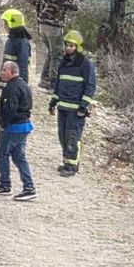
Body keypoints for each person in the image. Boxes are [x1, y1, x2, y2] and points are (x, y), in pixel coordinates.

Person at [48, 30, 95, 176]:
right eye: (67, 45)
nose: (68, 48)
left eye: (71, 46)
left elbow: (90, 86)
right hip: (63, 107)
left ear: (78, 47)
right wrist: (53, 101)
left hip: (75, 110)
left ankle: (72, 166)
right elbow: (59, 84)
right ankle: (66, 162)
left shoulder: (85, 64)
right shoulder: (63, 63)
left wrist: (83, 106)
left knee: (72, 137)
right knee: (62, 136)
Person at [0, 61, 37, 201]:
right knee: (18, 156)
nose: (2, 72)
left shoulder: (12, 88)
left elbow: (10, 109)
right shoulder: (23, 84)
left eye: (4, 70)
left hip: (13, 127)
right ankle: (29, 187)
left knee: (2, 154)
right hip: (24, 126)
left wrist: (3, 124)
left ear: (12, 72)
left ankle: (5, 185)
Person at [35, 0, 80, 89]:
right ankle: (53, 83)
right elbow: (75, 6)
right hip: (54, 27)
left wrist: (39, 19)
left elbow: (37, 4)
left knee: (51, 53)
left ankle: (44, 79)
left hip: (42, 25)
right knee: (57, 55)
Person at [0, 9, 31, 92]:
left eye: (6, 23)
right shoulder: (11, 40)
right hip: (8, 81)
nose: (4, 26)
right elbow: (5, 63)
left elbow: (23, 66)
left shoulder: (22, 43)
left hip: (15, 84)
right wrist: (0, 81)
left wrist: (21, 85)